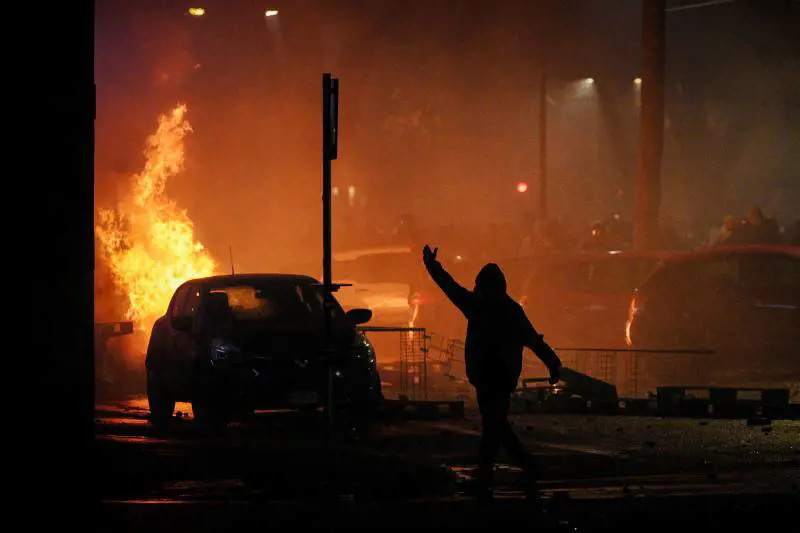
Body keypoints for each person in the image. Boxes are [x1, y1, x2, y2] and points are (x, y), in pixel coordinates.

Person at [421, 245, 562, 501]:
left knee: (494, 425)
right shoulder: (513, 310)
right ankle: (500, 470)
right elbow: (533, 339)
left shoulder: (476, 305)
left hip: (485, 375)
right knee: (495, 423)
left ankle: (508, 470)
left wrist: (432, 266)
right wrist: (553, 363)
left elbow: (449, 286)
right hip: (504, 376)